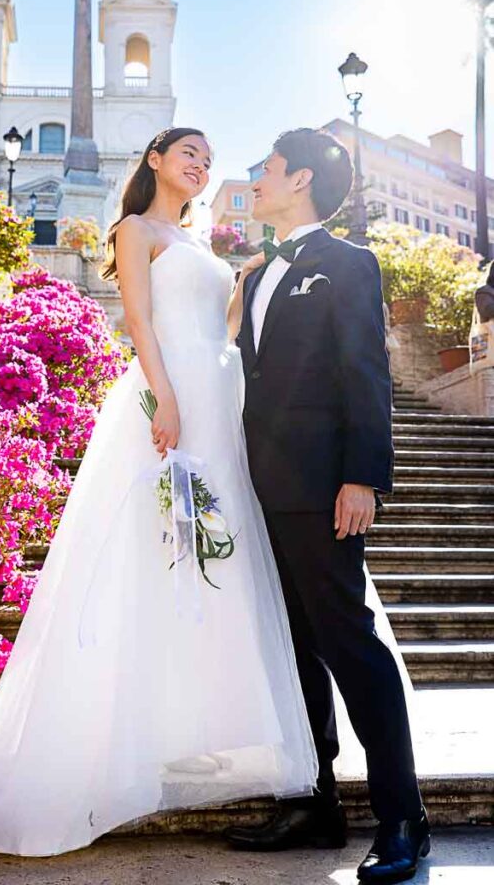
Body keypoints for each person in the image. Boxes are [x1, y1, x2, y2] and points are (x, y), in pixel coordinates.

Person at [0, 128, 318, 857]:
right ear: (155, 161)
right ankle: (122, 725)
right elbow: (138, 320)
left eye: (208, 159)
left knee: (207, 562)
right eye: (188, 153)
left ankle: (190, 722)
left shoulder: (198, 241)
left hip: (218, 396)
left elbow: (218, 329)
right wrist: (164, 399)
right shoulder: (135, 228)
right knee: (151, 551)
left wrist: (248, 283)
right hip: (171, 398)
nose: (200, 165)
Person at [223, 128, 430, 884]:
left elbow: (364, 371)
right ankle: (318, 802)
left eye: (266, 169)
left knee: (350, 646)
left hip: (320, 486)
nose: (257, 180)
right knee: (295, 650)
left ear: (301, 179)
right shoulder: (254, 270)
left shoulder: (347, 263)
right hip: (258, 487)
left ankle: (402, 818)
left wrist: (361, 478)